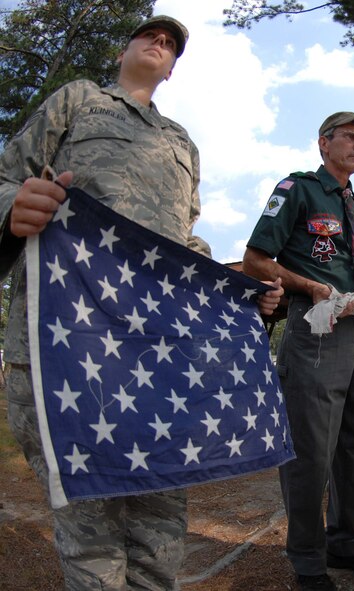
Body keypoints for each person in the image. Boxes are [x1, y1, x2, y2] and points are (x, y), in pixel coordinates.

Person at [0, 15, 282, 590]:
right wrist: (12, 207)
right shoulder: (77, 100)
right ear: (125, 49)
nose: (160, 43)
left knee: (161, 523)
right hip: (73, 346)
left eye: (171, 44)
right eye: (150, 35)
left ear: (174, 68)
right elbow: (7, 176)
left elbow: (185, 242)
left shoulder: (182, 143)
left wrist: (236, 294)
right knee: (91, 519)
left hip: (158, 355)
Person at [242, 111, 354, 591]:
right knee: (312, 451)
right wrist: (309, 286)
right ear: (324, 143)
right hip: (315, 334)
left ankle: (345, 539)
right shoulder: (298, 190)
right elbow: (257, 259)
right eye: (350, 137)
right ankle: (308, 559)